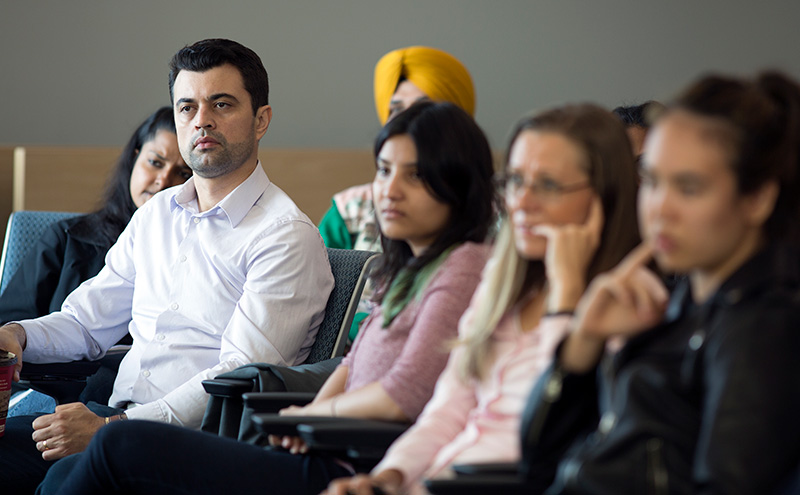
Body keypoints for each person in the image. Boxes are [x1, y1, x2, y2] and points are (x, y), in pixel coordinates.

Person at [49, 100, 498, 495]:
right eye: (383, 170)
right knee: (68, 464)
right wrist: (315, 416)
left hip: (352, 463)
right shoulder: (412, 273)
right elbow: (351, 366)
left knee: (118, 442)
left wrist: (313, 419)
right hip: (319, 445)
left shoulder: (464, 267)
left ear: (459, 183)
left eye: (415, 175)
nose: (389, 189)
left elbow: (405, 393)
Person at [0, 38, 333, 494]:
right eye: (186, 107)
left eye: (221, 104)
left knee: (65, 478)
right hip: (114, 422)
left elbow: (238, 375)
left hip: (193, 447)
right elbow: (84, 322)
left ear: (261, 120)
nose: (202, 121)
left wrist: (114, 426)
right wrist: (17, 334)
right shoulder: (156, 214)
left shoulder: (284, 236)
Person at [319, 103, 640, 495]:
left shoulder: (628, 304)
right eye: (517, 181)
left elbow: (551, 435)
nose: (521, 202)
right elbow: (448, 411)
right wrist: (389, 478)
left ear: (603, 198)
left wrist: (567, 298)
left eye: (548, 185)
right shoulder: (504, 285)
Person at [520, 71, 800, 494]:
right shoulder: (678, 304)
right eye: (651, 181)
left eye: (688, 187)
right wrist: (582, 342)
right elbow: (539, 467)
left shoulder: (764, 328)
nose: (659, 209)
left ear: (757, 198)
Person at [0, 106, 192, 326]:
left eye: (183, 173)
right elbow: (9, 329)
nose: (164, 180)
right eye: (155, 163)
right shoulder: (66, 239)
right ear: (135, 158)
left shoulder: (192, 254)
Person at [318, 45, 475, 253]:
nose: (410, 121)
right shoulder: (349, 213)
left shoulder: (505, 217)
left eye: (416, 175)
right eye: (397, 110)